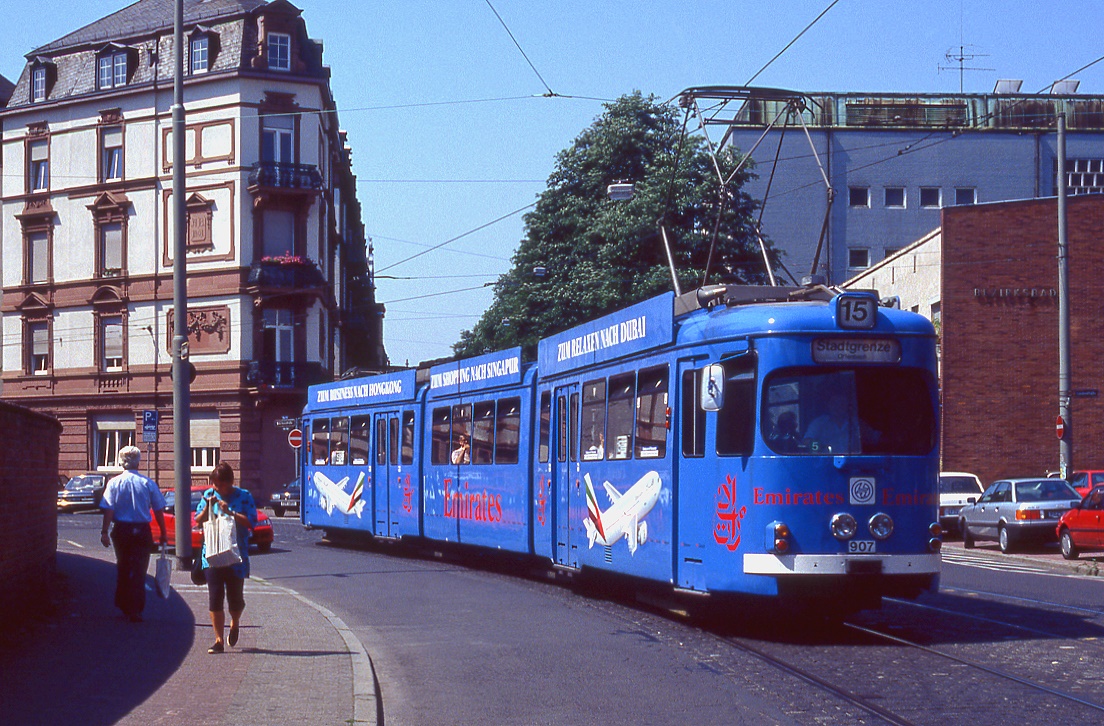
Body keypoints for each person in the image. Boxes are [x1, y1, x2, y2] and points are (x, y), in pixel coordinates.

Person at [195, 462, 258, 654]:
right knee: (215, 597)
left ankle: (235, 622)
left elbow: (251, 522)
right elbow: (198, 521)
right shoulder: (208, 495)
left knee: (235, 599)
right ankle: (218, 640)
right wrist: (207, 507)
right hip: (212, 555)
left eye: (220, 485)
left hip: (236, 555)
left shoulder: (244, 496)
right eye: (214, 484)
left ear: (230, 482)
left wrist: (231, 512)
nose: (216, 488)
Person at [99, 445, 167, 622]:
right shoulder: (147, 483)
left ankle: (123, 604)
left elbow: (109, 509)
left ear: (121, 462)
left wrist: (104, 531)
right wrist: (163, 532)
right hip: (142, 530)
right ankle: (136, 609)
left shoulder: (114, 483)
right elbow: (158, 509)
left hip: (122, 530)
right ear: (138, 462)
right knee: (139, 569)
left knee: (123, 565)